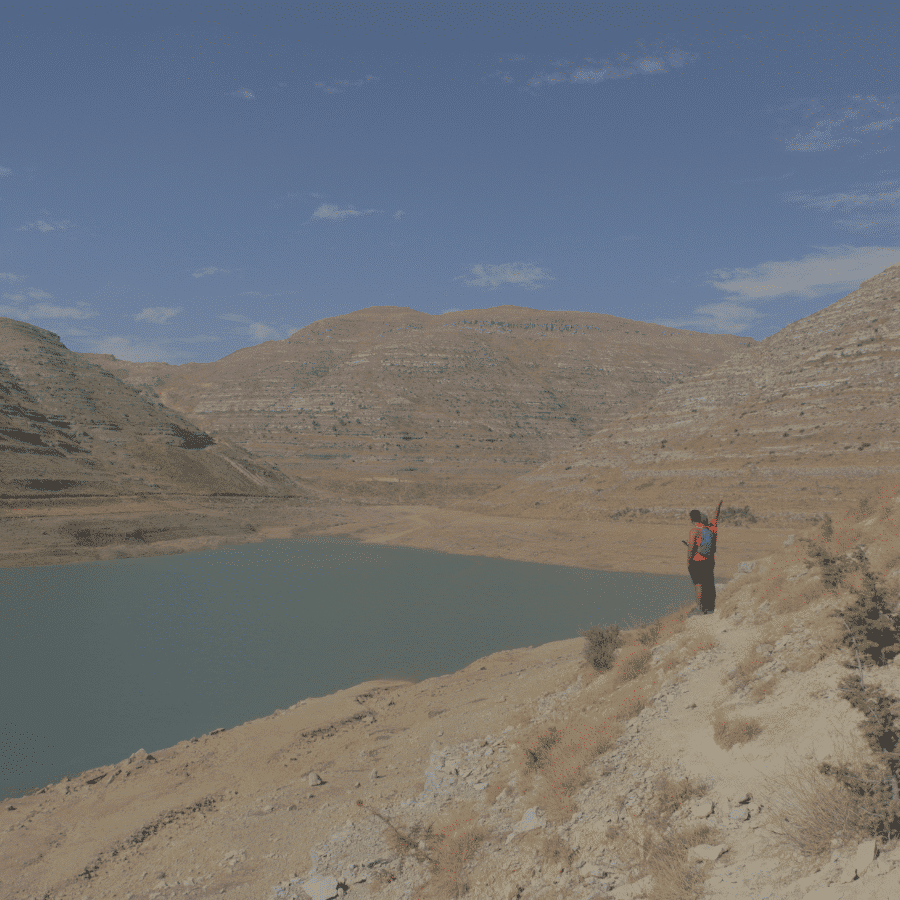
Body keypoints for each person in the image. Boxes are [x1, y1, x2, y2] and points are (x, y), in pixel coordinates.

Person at [687, 499, 722, 614]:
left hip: (697, 561)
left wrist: (689, 562)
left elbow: (691, 548)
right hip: (709, 561)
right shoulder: (711, 529)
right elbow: (716, 517)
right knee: (708, 584)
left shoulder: (694, 531)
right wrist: (718, 506)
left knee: (698, 585)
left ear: (692, 520)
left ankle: (699, 607)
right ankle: (710, 607)